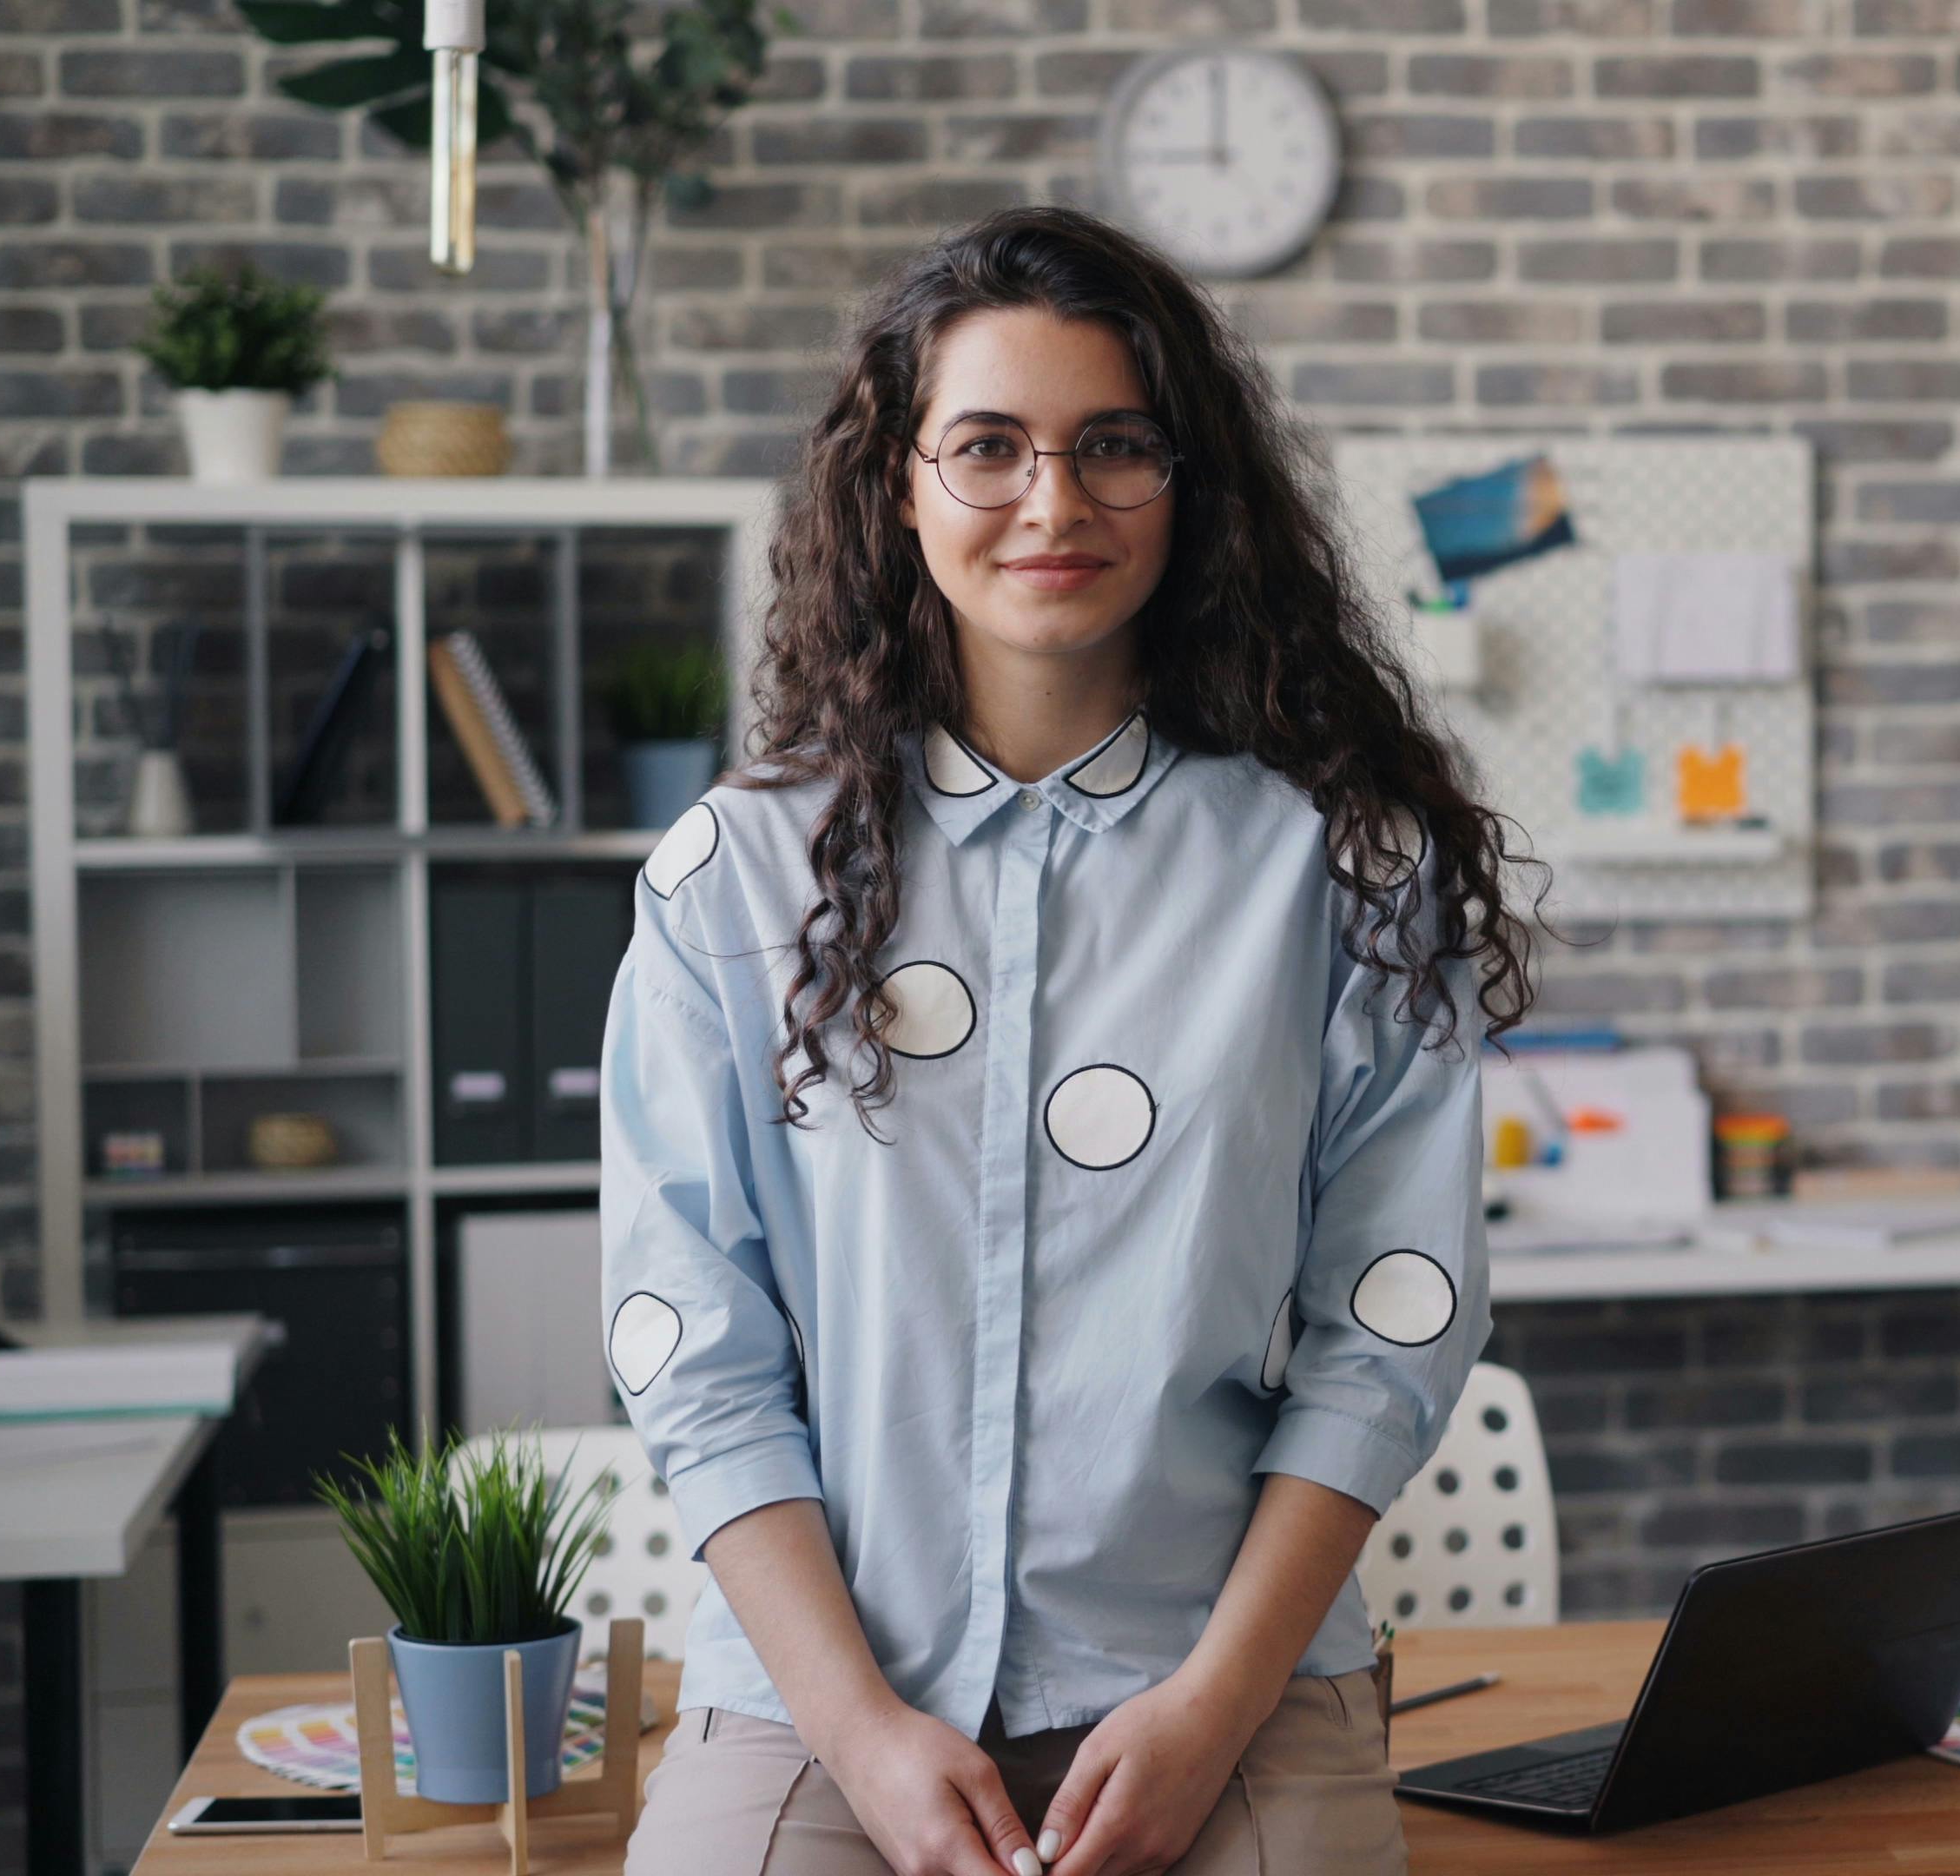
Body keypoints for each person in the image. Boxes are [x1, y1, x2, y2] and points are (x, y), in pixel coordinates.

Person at [599, 202, 1540, 1876]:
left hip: (1223, 1690)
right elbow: (696, 1346)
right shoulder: (731, 879)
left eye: (1116, 446)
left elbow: (1389, 1330)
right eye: (989, 448)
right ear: (901, 483)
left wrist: (1210, 1711)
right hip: (830, 1698)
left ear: (1193, 484)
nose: (1056, 503)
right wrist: (867, 1738)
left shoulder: (1343, 865)